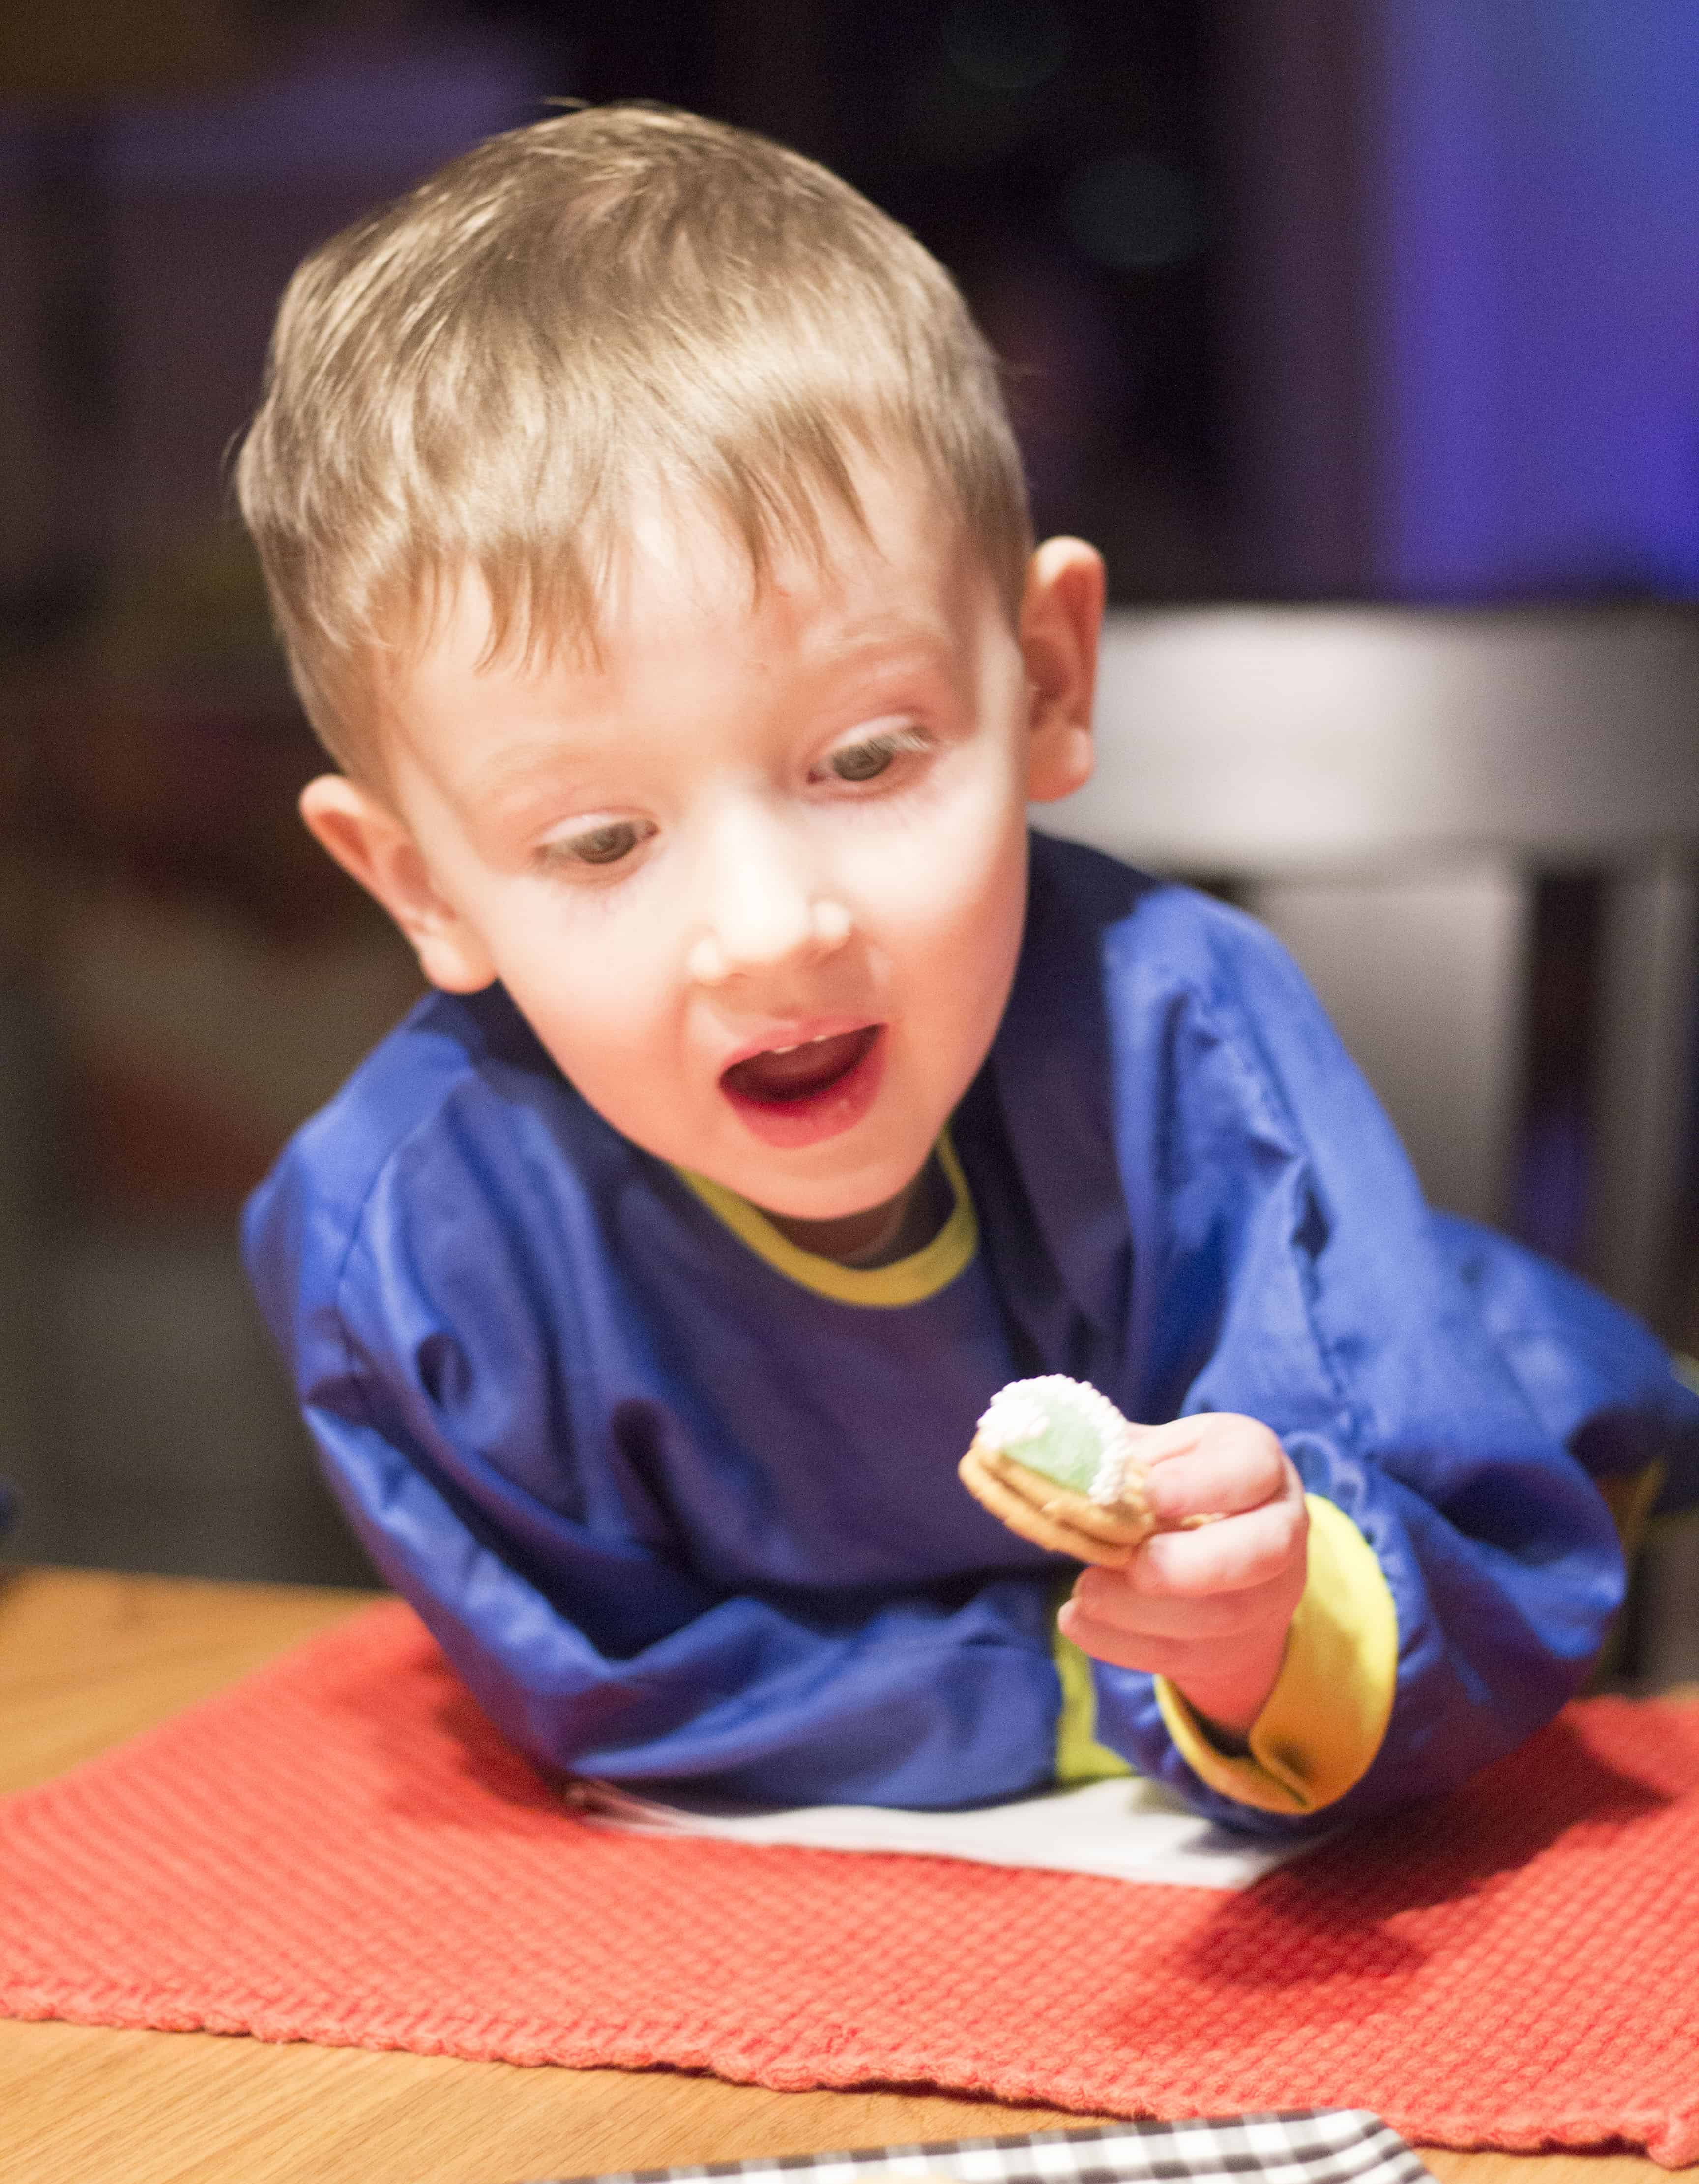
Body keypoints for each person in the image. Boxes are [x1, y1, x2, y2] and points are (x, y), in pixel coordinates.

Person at [236, 104, 1699, 1835]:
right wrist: (1078, 1682)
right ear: (418, 884)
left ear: (1047, 683)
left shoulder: (1185, 1046)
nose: (775, 925)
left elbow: (1431, 1524)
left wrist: (1257, 1628)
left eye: (862, 761)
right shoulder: (401, 1253)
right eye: (602, 843)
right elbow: (615, 1683)